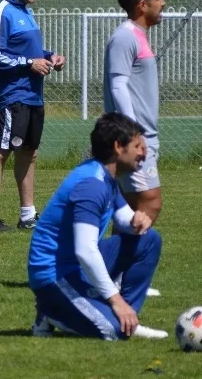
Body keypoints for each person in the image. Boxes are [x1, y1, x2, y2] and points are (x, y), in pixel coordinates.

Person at [27, 112, 167, 340]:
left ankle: (128, 317)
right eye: (137, 146)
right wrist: (115, 299)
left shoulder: (106, 176)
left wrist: (136, 222)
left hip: (75, 266)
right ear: (118, 147)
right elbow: (85, 250)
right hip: (54, 275)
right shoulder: (92, 185)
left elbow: (123, 218)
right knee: (113, 332)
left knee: (149, 239)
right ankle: (50, 310)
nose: (144, 152)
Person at [0, 0, 65, 231]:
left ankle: (28, 215)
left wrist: (50, 57)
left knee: (29, 154)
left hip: (33, 96)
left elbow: (31, 51)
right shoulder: (2, 12)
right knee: (0, 153)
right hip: (13, 96)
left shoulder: (25, 12)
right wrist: (30, 62)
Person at [103, 0, 166, 223]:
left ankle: (119, 250)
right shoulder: (125, 36)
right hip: (134, 139)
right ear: (142, 5)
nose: (163, 3)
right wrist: (133, 133)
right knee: (149, 202)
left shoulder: (138, 35)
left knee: (132, 209)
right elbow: (118, 86)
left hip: (143, 136)